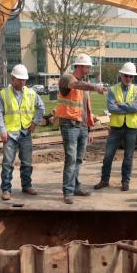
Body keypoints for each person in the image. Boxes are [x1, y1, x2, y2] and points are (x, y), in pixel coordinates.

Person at [55, 53, 106, 204]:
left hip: (82, 127)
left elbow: (85, 109)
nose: (89, 69)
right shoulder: (67, 79)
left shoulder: (84, 85)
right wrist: (95, 87)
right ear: (80, 66)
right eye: (88, 67)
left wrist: (89, 129)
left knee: (78, 159)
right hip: (70, 125)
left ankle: (75, 186)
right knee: (70, 159)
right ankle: (68, 191)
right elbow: (74, 85)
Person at [0, 64, 46, 200]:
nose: (23, 82)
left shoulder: (31, 93)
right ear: (13, 78)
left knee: (27, 162)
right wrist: (2, 130)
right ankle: (6, 189)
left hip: (25, 133)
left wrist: (35, 122)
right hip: (10, 133)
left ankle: (26, 186)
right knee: (7, 163)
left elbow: (41, 107)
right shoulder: (4, 94)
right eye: (20, 79)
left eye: (24, 80)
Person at [95, 62, 137, 192]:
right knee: (108, 155)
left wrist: (120, 104)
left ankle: (125, 182)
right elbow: (111, 108)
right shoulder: (112, 89)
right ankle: (104, 180)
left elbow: (136, 108)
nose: (128, 78)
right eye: (126, 75)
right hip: (116, 127)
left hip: (131, 127)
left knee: (128, 156)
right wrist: (128, 107)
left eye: (131, 76)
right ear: (121, 75)